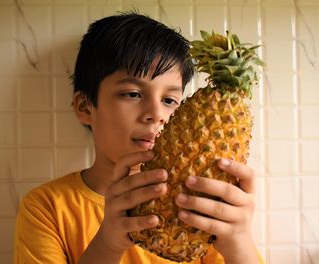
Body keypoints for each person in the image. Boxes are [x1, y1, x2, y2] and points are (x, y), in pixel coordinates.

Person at [14, 12, 264, 264]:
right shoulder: (47, 207)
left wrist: (238, 242)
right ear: (85, 107)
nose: (156, 115)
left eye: (169, 100)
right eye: (132, 94)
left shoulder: (199, 204)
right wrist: (108, 245)